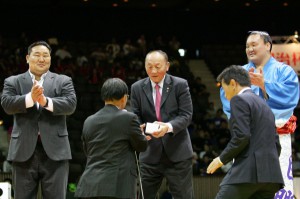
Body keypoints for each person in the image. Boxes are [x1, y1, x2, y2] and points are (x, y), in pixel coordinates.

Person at [220, 31, 299, 198]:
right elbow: (226, 99)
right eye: (247, 46)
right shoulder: (237, 73)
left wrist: (265, 85)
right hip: (245, 138)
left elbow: (291, 98)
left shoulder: (284, 71)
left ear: (268, 45)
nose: (250, 49)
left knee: (277, 190)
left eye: (254, 45)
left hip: (275, 139)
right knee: (242, 186)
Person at [1, 40, 77, 199]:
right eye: (37, 55)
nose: (42, 59)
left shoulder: (63, 80)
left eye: (46, 55)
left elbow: (70, 105)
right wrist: (30, 98)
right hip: (23, 151)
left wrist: (45, 102)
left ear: (50, 58)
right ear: (27, 58)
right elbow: (7, 105)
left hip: (56, 152)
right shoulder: (13, 81)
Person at [208, 65, 284, 199]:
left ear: (233, 84)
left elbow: (242, 136)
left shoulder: (239, 100)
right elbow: (276, 144)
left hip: (248, 174)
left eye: (224, 89)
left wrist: (221, 159)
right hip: (271, 176)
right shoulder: (264, 105)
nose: (225, 95)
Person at [130, 50, 194, 199]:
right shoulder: (137, 87)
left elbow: (186, 115)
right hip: (149, 151)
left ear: (167, 66)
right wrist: (139, 130)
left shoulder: (180, 84)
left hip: (178, 152)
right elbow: (135, 115)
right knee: (144, 196)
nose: (153, 71)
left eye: (158, 66)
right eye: (149, 66)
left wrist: (168, 127)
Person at [75, 78, 148, 199]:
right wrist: (141, 135)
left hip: (89, 187)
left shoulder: (89, 120)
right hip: (116, 187)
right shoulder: (128, 118)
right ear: (125, 97)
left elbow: (87, 151)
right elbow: (142, 145)